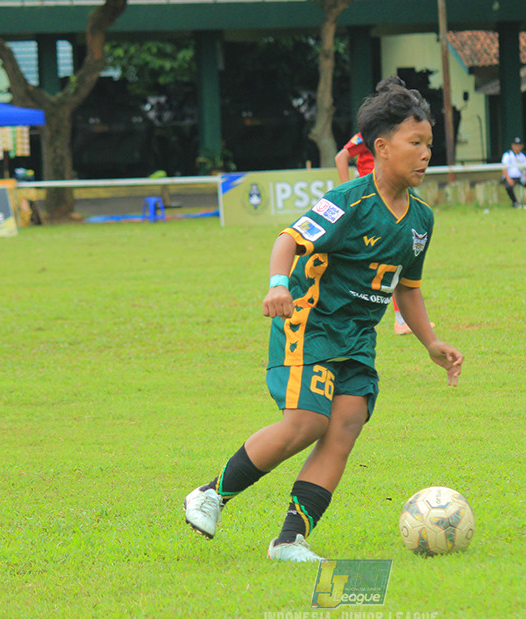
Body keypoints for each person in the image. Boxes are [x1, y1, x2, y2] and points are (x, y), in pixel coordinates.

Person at [184, 76, 464, 563]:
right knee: (309, 421)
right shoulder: (349, 201)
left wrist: (431, 344)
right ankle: (210, 494)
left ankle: (290, 540)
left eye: (429, 145)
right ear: (382, 147)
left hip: (358, 337)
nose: (425, 155)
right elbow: (287, 240)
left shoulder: (422, 220)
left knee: (347, 423)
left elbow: (408, 289)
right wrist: (277, 285)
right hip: (309, 323)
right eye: (415, 143)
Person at [335, 126, 426, 336]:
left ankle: (401, 320)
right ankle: (398, 320)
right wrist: (347, 191)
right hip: (371, 200)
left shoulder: (393, 138)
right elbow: (341, 157)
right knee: (387, 256)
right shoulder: (366, 136)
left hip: (386, 198)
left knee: (392, 256)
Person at [501, 137, 526, 209]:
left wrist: (524, 177)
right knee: (508, 186)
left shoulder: (523, 156)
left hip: (520, 178)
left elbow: (525, 168)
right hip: (510, 177)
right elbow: (504, 168)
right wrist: (508, 179)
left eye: (519, 145)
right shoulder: (507, 155)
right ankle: (515, 202)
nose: (517, 147)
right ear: (512, 146)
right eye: (516, 145)